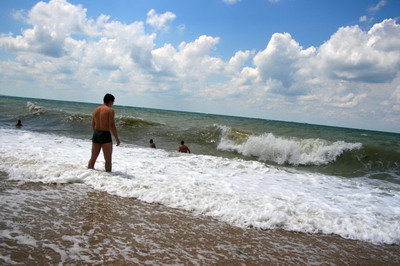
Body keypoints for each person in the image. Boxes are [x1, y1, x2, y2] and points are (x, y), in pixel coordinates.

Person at [88, 93, 120, 172]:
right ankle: (108, 178)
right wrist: (117, 138)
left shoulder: (96, 110)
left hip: (96, 134)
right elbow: (112, 125)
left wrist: (95, 133)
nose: (113, 103)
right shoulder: (110, 110)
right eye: (113, 102)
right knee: (108, 159)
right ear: (110, 101)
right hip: (105, 134)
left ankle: (87, 174)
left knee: (93, 158)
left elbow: (93, 124)